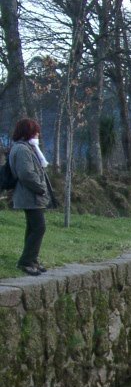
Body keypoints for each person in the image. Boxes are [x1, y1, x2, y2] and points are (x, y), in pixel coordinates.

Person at [9, 118, 56, 276]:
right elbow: (26, 174)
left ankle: (32, 259)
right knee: (39, 227)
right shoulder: (23, 150)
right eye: (35, 132)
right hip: (30, 195)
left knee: (33, 227)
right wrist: (41, 188)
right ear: (28, 132)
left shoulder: (24, 148)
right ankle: (26, 261)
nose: (38, 135)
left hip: (31, 195)